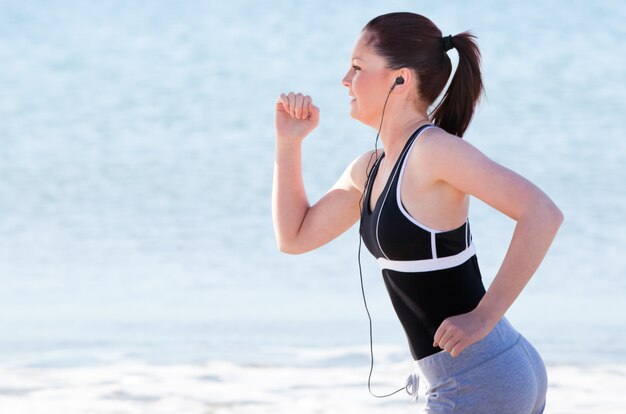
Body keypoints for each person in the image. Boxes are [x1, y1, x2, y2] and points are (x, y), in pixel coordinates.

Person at [272, 12, 563, 414]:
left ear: (401, 79)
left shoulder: (433, 151)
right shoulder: (369, 169)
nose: (344, 80)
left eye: (357, 67)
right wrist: (289, 144)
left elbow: (542, 213)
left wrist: (484, 316)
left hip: (478, 378)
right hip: (482, 374)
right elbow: (294, 237)